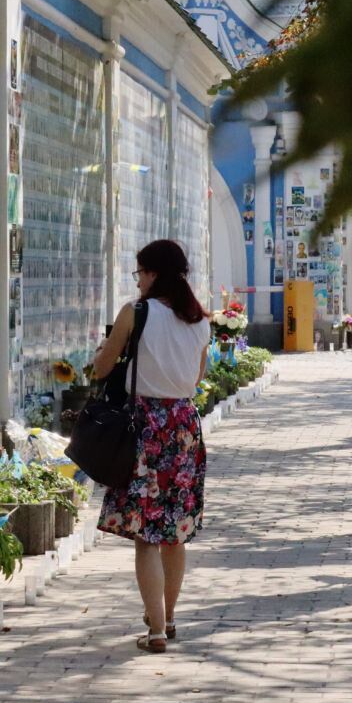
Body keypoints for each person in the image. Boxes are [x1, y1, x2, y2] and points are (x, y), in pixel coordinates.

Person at [91, 240, 211, 654]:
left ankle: (155, 631)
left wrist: (103, 356)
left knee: (146, 534)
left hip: (144, 427)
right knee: (175, 533)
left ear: (154, 273)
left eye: (140, 272)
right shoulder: (199, 320)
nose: (137, 279)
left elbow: (102, 368)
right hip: (183, 426)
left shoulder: (136, 313)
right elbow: (195, 380)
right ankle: (170, 619)